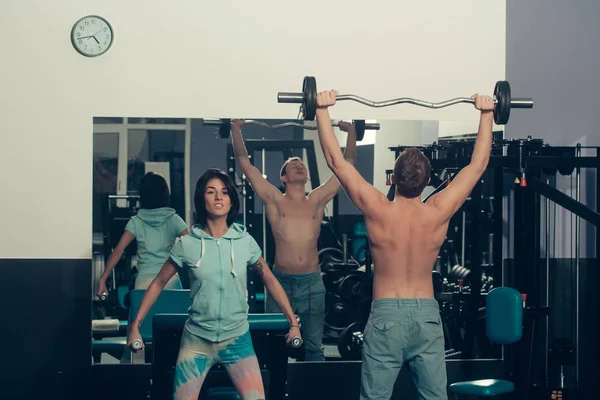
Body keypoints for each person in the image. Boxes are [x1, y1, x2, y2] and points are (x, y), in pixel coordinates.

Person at [314, 90, 495, 400]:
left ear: (393, 178)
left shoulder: (377, 208)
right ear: (426, 181)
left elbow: (336, 161)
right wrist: (487, 113)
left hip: (386, 315)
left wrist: (321, 109)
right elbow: (477, 166)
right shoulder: (438, 210)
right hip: (426, 315)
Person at [127, 168, 300, 400]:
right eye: (211, 191)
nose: (219, 197)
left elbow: (269, 278)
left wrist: (293, 322)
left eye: (225, 192)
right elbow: (158, 282)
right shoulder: (187, 244)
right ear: (202, 199)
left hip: (237, 340)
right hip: (196, 341)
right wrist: (135, 325)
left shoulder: (245, 242)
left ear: (231, 201)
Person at [230, 118, 357, 361]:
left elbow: (346, 166)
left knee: (314, 348)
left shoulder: (317, 200)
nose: (299, 165)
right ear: (284, 177)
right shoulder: (275, 200)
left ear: (307, 176)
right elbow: (246, 164)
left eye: (301, 164)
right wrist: (236, 130)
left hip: (312, 283)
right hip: (281, 283)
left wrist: (351, 133)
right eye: (292, 165)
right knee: (274, 348)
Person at [96, 171, 188, 297]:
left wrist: (103, 279)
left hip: (144, 284)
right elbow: (191, 246)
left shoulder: (136, 221)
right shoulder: (174, 219)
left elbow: (118, 250)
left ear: (143, 196)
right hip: (170, 281)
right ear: (166, 194)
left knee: (142, 317)